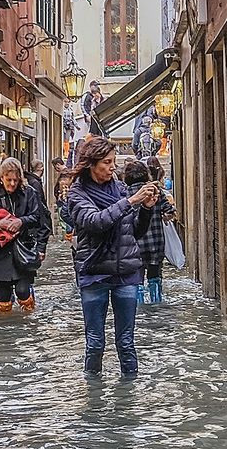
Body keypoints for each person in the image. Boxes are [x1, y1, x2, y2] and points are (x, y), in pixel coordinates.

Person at [62, 135, 160, 377]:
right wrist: (131, 201)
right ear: (91, 164)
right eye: (107, 162)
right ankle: (92, 400)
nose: (112, 167)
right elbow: (95, 222)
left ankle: (129, 402)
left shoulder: (119, 189)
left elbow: (134, 231)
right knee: (95, 343)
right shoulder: (77, 194)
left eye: (113, 161)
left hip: (125, 273)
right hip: (94, 274)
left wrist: (146, 209)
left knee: (126, 343)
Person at [0, 157, 47, 313]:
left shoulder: (29, 192)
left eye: (15, 180)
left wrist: (20, 222)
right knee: (3, 294)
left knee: (23, 289)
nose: (12, 184)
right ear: (1, 177)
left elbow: (37, 217)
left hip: (23, 248)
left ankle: (28, 318)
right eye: (8, 180)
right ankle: (4, 324)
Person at [136, 157, 178, 304]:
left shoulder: (125, 193)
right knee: (154, 275)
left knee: (137, 278)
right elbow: (170, 211)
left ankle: (139, 304)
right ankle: (156, 301)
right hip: (155, 242)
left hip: (135, 246)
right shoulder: (155, 191)